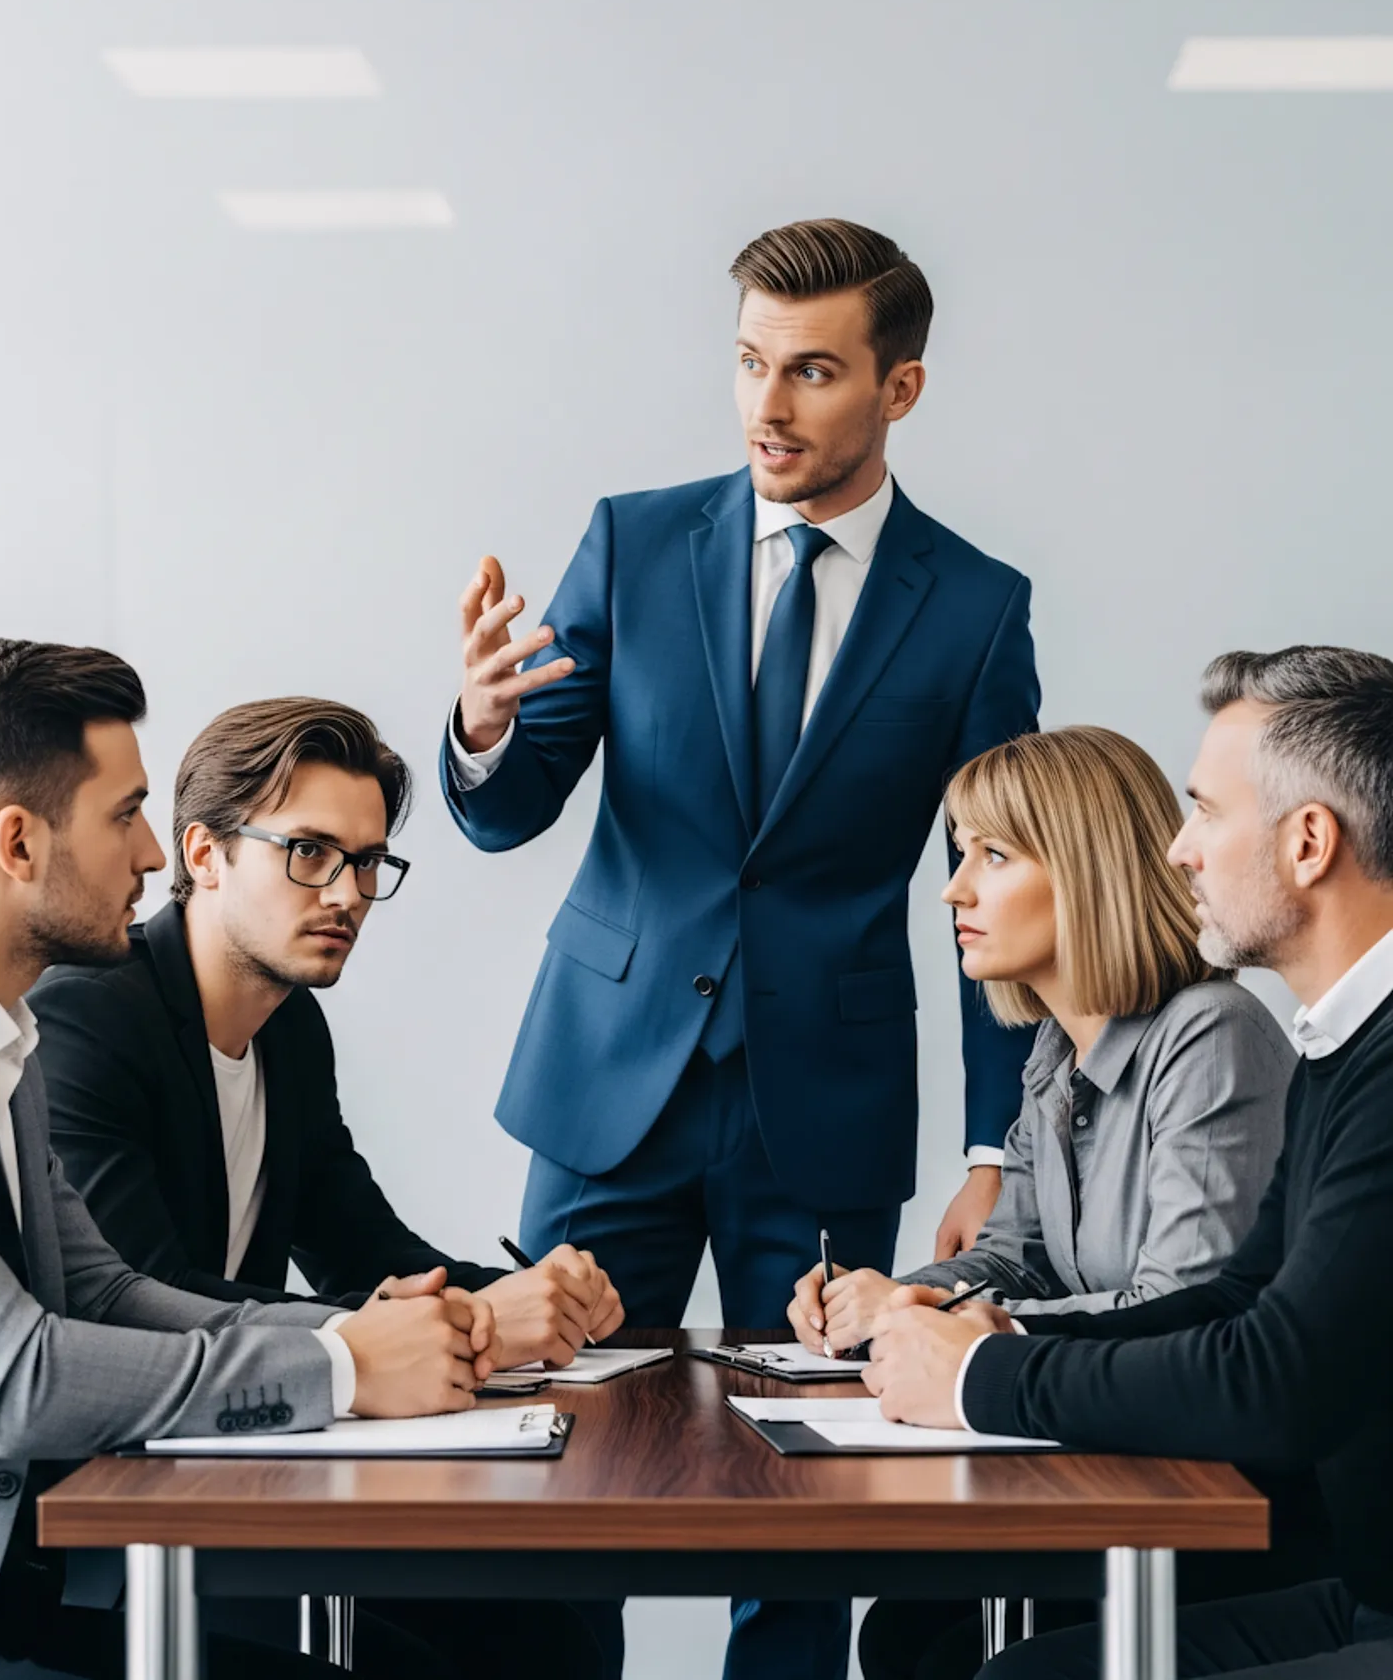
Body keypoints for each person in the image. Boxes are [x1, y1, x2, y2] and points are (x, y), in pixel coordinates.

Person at [444, 216, 1041, 1680]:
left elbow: (1003, 895)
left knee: (810, 1479)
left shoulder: (975, 608)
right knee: (563, 1440)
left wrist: (996, 1150)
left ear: (899, 388)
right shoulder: (634, 542)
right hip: (609, 1079)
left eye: (813, 371)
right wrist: (482, 727)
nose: (767, 406)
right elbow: (512, 810)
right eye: (749, 363)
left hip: (823, 1105)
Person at [32, 693, 624, 1680]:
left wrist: (537, 1292)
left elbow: (368, 1249)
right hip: (98, 1521)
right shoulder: (90, 1017)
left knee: (552, 1627)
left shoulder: (290, 1030)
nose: (347, 892)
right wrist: (466, 1324)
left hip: (241, 1467)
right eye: (308, 852)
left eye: (367, 861)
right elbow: (141, 1299)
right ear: (205, 854)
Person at [860, 646, 1393, 1680]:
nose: (1179, 850)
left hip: (1340, 1575)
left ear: (1308, 842)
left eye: (1205, 813)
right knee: (953, 1648)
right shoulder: (1337, 1048)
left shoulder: (1330, 1052)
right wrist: (983, 1333)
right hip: (1365, 1589)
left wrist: (981, 1373)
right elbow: (1236, 1296)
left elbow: (1277, 1376)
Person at [0, 639, 499, 1680]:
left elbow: (110, 1291)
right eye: (125, 816)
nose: (151, 856)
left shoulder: (7, 1047)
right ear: (19, 843)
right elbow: (19, 1378)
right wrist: (346, 1365)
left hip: (17, 1595)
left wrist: (376, 1334)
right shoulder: (79, 1024)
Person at [780, 725, 1294, 1680]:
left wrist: (957, 1335)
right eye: (960, 853)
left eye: (993, 855)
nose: (953, 890)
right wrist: (898, 1297)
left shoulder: (1211, 1035)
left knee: (940, 1644)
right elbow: (1016, 1254)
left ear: (1087, 872)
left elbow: (1185, 1308)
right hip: (1108, 1458)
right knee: (903, 1631)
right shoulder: (1057, 1047)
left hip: (1221, 1498)